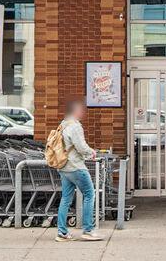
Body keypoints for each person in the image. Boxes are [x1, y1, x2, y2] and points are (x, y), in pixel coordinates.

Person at [54, 100, 102, 241]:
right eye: (81, 110)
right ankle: (88, 230)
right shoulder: (75, 126)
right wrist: (91, 152)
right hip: (75, 166)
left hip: (63, 167)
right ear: (75, 111)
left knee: (66, 199)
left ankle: (62, 232)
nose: (83, 112)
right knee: (89, 194)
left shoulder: (63, 124)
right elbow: (81, 146)